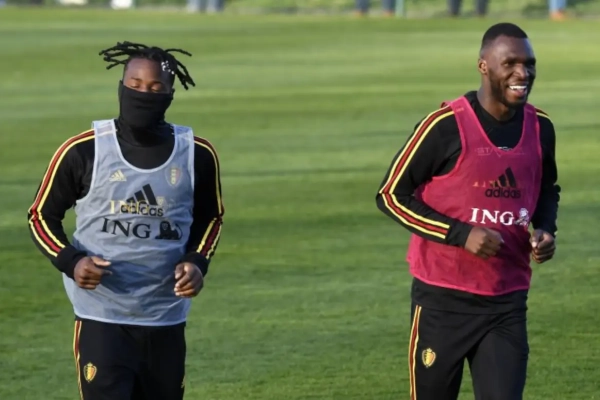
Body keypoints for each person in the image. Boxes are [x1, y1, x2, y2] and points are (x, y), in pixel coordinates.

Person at [27, 41, 224, 400]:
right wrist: (72, 261)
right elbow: (41, 215)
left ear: (170, 94)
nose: (143, 94)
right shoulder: (83, 150)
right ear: (121, 87)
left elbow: (211, 218)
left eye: (155, 87)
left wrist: (197, 262)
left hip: (165, 315)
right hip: (102, 317)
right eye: (135, 85)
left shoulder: (196, 154)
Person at [375, 23, 559, 400]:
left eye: (529, 64)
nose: (523, 73)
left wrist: (545, 229)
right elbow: (391, 195)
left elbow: (546, 188)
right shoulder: (445, 126)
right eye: (510, 63)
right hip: (442, 302)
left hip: (507, 302)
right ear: (483, 66)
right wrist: (461, 234)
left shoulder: (540, 127)